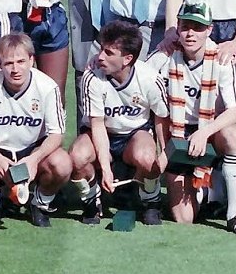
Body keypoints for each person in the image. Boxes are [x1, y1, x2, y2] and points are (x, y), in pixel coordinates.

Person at [147, 0, 236, 236]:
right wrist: (166, 149)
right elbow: (141, 85)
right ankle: (209, 191)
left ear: (209, 30)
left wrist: (204, 133)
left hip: (209, 130)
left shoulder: (221, 58)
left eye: (197, 27)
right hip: (178, 133)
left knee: (233, 134)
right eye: (185, 26)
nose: (190, 33)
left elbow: (235, 110)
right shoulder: (164, 55)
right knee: (184, 219)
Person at [0, 33, 71, 228]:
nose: (15, 69)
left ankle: (40, 202)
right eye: (8, 63)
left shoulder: (47, 87)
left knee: (62, 163)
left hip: (32, 151)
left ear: (32, 60)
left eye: (21, 61)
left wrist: (34, 159)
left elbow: (56, 135)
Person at [70, 21, 168, 225]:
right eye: (101, 50)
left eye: (108, 53)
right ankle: (92, 199)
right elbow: (97, 125)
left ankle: (150, 199)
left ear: (127, 59)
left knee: (148, 158)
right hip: (103, 132)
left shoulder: (150, 78)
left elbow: (160, 118)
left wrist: (165, 153)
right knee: (77, 157)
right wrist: (106, 169)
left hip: (135, 134)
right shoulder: (92, 77)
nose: (100, 57)